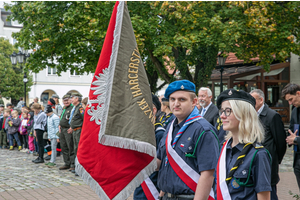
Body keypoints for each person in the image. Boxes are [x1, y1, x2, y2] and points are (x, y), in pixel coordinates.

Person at [157, 80, 219, 200]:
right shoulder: (170, 126)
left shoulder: (203, 130)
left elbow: (207, 174)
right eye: (172, 99)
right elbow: (162, 163)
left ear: (194, 102)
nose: (176, 104)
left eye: (182, 99)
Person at [216, 89, 271, 200]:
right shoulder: (223, 148)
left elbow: (263, 196)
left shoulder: (258, 154)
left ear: (243, 114)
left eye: (228, 111)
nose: (222, 116)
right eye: (222, 111)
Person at [250, 89, 286, 199]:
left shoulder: (272, 116)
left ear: (261, 100)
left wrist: (275, 159)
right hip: (254, 161)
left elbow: (281, 143)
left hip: (268, 163)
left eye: (252, 100)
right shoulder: (251, 115)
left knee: (270, 193)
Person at [134, 94, 165, 200]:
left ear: (153, 110)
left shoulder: (159, 134)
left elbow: (162, 166)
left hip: (153, 189)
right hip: (140, 188)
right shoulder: (143, 132)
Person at [282, 83, 300, 190]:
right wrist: (290, 138)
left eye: (291, 99)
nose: (290, 103)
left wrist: (296, 139)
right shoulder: (294, 111)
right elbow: (291, 131)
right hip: (298, 161)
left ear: (298, 93)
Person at [58, 94, 75, 171]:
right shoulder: (64, 108)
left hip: (68, 129)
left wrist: (71, 127)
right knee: (63, 146)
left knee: (70, 146)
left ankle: (72, 164)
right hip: (62, 129)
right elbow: (61, 117)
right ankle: (66, 163)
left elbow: (73, 119)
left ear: (70, 100)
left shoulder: (72, 108)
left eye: (67, 100)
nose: (66, 102)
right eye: (64, 100)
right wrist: (59, 125)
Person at [69, 93, 84, 175]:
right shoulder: (75, 108)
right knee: (75, 149)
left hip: (78, 130)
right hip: (74, 130)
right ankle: (76, 167)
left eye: (72, 98)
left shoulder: (80, 108)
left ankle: (79, 169)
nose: (71, 100)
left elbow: (84, 119)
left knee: (78, 149)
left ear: (77, 99)